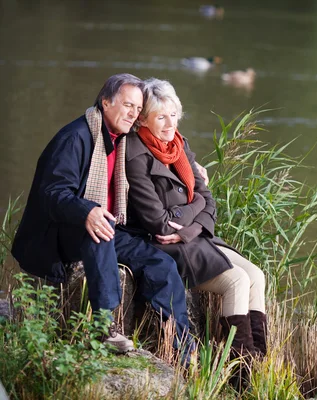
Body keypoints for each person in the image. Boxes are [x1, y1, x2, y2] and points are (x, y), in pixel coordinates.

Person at [11, 73, 192, 356]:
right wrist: (89, 211)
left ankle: (182, 348)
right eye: (127, 105)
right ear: (105, 102)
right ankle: (104, 326)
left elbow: (163, 145)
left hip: (105, 225)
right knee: (101, 228)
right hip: (58, 232)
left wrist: (194, 172)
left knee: (160, 264)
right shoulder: (76, 138)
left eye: (137, 108)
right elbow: (53, 193)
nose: (133, 114)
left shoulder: (121, 139)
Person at [124, 78, 268, 366]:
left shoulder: (178, 145)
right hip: (164, 246)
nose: (169, 123)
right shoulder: (135, 155)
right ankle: (238, 371)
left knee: (257, 275)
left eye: (174, 114)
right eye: (160, 116)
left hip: (190, 238)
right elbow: (160, 224)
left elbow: (207, 199)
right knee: (236, 281)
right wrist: (195, 209)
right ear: (142, 119)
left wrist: (191, 222)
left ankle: (258, 363)